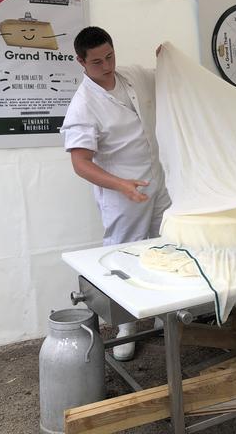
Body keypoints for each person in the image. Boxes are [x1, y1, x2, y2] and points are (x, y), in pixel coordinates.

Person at [61, 26, 170, 361]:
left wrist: (166, 58)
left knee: (167, 245)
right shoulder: (83, 105)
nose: (107, 66)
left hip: (157, 180)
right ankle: (126, 328)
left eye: (109, 56)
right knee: (125, 257)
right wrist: (121, 184)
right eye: (97, 62)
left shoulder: (132, 75)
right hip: (122, 193)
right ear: (81, 61)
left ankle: (168, 313)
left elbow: (166, 78)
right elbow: (80, 163)